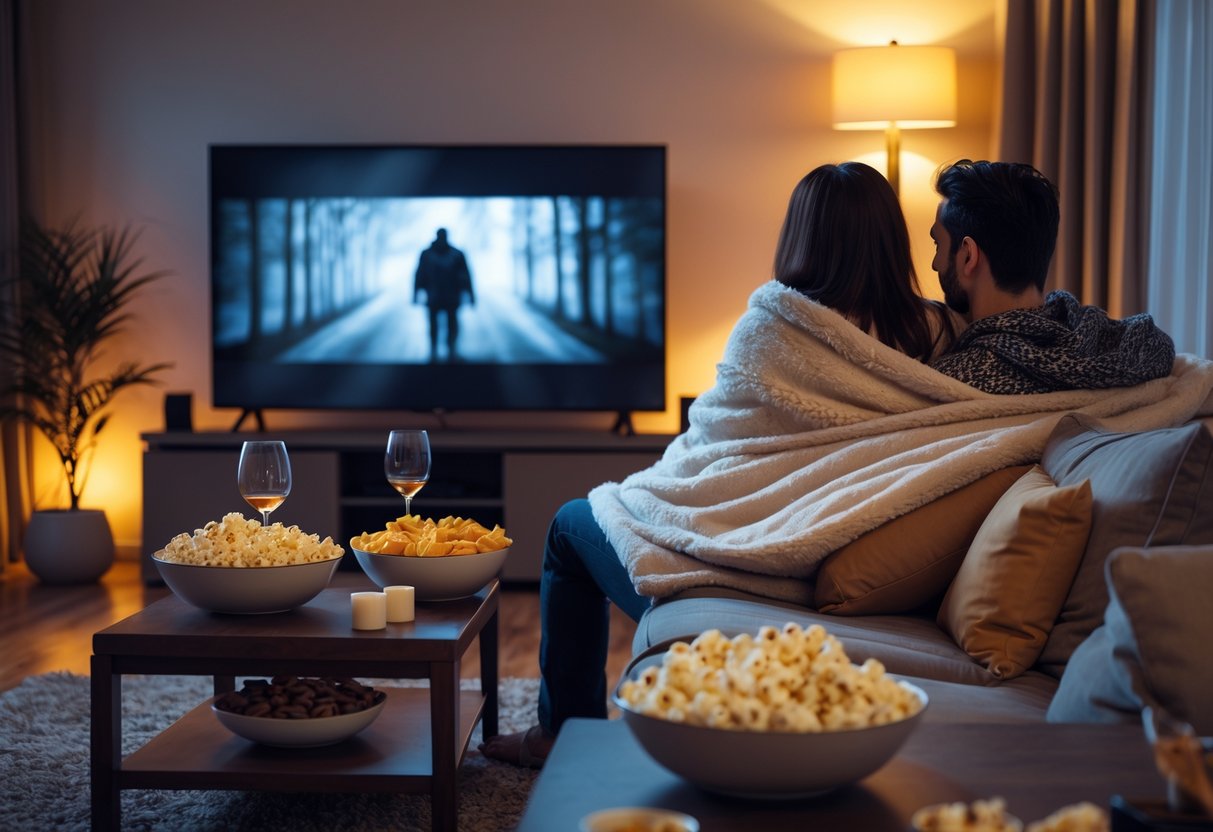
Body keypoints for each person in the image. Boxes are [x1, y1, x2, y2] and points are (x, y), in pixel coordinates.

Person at [479, 161, 964, 768]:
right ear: (892, 238)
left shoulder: (773, 326)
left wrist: (657, 501)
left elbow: (707, 451)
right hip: (856, 566)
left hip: (737, 562)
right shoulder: (942, 332)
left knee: (569, 526)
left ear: (800, 238)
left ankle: (558, 733)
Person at [927, 159, 1175, 393]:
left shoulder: (956, 380)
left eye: (938, 245)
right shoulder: (1138, 347)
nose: (935, 264)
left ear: (969, 256)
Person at [413, 228, 475, 361]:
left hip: (445, 296)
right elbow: (419, 274)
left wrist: (416, 293)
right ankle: (439, 350)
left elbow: (466, 275)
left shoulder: (433, 254)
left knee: (448, 324)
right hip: (439, 295)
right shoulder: (451, 254)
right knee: (439, 325)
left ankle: (447, 350)